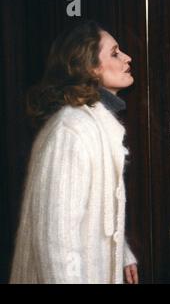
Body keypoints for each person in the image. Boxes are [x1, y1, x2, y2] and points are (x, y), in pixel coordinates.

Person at [9, 21, 139, 284]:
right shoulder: (71, 129)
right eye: (115, 53)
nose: (127, 58)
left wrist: (122, 253)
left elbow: (96, 206)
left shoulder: (95, 122)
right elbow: (55, 242)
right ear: (90, 67)